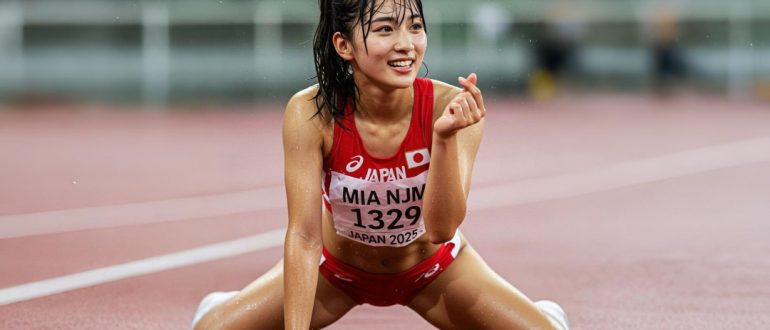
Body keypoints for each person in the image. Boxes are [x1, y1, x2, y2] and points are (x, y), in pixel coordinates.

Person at [192, 0, 569, 329]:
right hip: (337, 273)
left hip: (433, 270)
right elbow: (305, 237)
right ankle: (222, 306)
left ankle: (544, 314)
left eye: (415, 26)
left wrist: (443, 138)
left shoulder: (451, 107)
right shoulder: (309, 113)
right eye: (385, 29)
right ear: (344, 45)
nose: (406, 45)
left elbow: (441, 228)